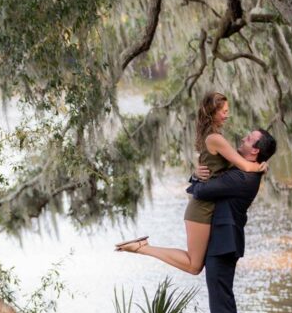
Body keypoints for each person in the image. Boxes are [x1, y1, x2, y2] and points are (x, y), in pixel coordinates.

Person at [114, 92, 266, 274]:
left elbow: (214, 165)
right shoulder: (215, 138)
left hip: (208, 205)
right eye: (224, 111)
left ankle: (143, 247)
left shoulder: (213, 136)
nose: (227, 115)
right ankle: (143, 247)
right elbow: (244, 166)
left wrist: (195, 173)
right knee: (194, 266)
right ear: (213, 112)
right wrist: (261, 166)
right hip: (201, 209)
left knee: (195, 264)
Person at [190, 127, 276, 313]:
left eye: (249, 139)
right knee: (223, 298)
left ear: (255, 151)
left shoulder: (241, 177)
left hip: (223, 243)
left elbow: (202, 192)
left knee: (221, 299)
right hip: (225, 241)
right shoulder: (243, 171)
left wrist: (196, 178)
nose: (242, 138)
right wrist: (198, 173)